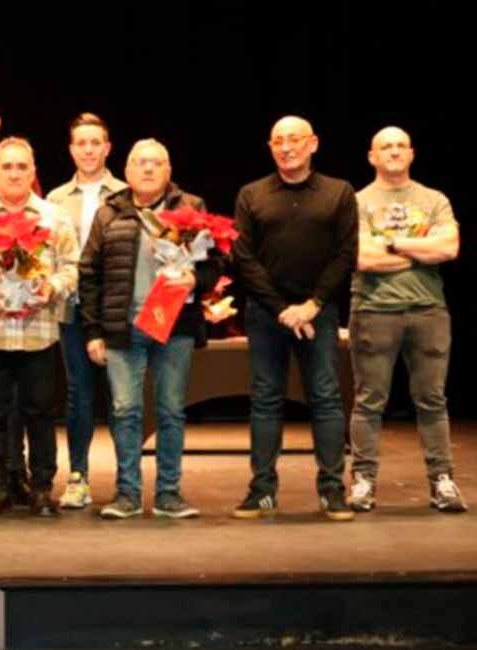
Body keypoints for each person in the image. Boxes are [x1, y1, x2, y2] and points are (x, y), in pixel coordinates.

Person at [79, 139, 222, 519]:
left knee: (171, 411)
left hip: (174, 327)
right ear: (126, 171)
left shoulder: (190, 208)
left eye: (156, 162)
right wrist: (93, 332)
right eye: (140, 162)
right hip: (122, 328)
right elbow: (89, 274)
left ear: (168, 170)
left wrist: (196, 280)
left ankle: (168, 494)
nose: (147, 169)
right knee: (125, 410)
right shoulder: (109, 213)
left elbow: (215, 264)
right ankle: (127, 494)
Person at [231, 116, 358, 522]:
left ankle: (333, 490)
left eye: (295, 140)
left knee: (325, 397)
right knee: (266, 399)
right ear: (270, 147)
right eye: (278, 141)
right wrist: (281, 309)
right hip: (267, 314)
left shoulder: (338, 192)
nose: (287, 147)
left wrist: (313, 304)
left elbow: (346, 254)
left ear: (313, 143)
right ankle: (262, 490)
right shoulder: (252, 194)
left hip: (318, 312)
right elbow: (243, 257)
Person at [0, 138, 78, 517]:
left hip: (39, 332)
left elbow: (72, 267)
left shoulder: (55, 218)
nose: (15, 173)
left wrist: (52, 287)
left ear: (33, 171)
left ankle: (41, 488)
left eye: (22, 166)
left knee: (41, 413)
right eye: (7, 166)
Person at [347, 126, 465, 513]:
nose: (394, 151)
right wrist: (420, 251)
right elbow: (362, 257)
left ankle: (442, 481)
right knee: (369, 400)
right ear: (372, 156)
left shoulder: (434, 199)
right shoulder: (357, 202)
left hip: (428, 309)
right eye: (386, 146)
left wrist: (392, 243)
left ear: (412, 153)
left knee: (432, 399)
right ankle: (363, 481)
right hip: (373, 309)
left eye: (401, 146)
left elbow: (449, 247)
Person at [45, 112, 127, 509]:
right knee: (79, 392)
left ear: (107, 148)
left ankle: (127, 480)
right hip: (73, 309)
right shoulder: (55, 199)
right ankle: (78, 477)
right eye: (82, 143)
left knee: (122, 395)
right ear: (71, 149)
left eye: (96, 143)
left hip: (117, 308)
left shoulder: (127, 193)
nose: (89, 150)